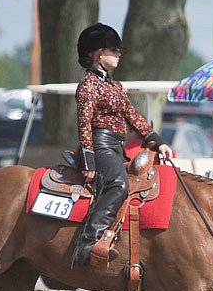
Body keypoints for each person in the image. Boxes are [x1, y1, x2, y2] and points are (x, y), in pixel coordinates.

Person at [72, 23, 172, 266]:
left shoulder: (115, 86)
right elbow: (84, 122)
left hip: (117, 147)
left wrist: (157, 141)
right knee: (118, 184)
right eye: (113, 50)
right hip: (100, 145)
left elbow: (133, 115)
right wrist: (89, 159)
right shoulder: (88, 84)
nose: (118, 54)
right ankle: (88, 244)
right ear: (98, 54)